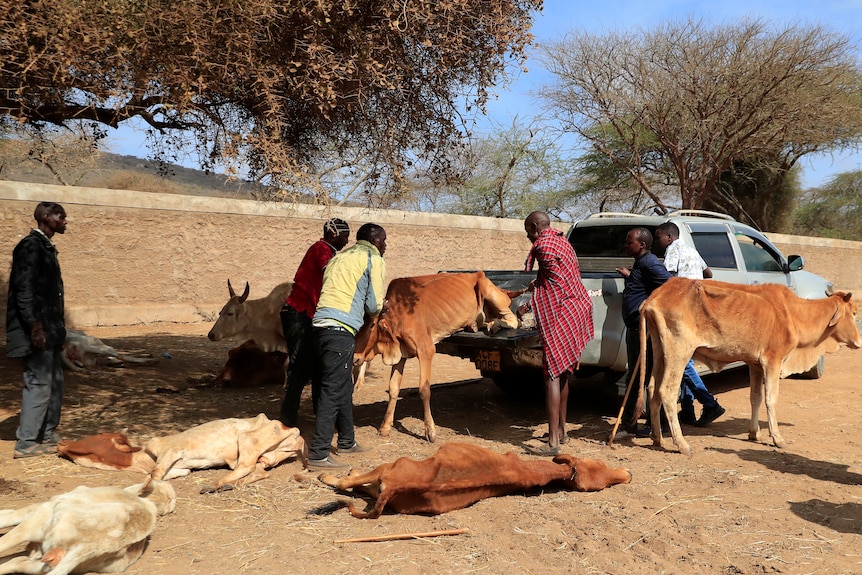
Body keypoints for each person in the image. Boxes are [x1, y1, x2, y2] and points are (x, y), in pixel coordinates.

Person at [306, 223, 387, 469]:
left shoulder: (340, 257)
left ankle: (347, 441)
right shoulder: (372, 258)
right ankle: (318, 454)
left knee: (341, 386)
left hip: (319, 326)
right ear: (374, 240)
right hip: (340, 330)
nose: (385, 245)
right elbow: (374, 304)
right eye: (383, 240)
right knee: (332, 389)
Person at [521, 211, 594, 455]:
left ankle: (553, 442)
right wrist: (532, 300)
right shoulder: (563, 241)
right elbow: (555, 279)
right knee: (562, 372)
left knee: (551, 373)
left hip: (562, 312)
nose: (529, 239)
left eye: (528, 233)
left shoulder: (543, 245)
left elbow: (555, 287)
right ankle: (562, 431)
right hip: (577, 309)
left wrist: (537, 299)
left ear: (534, 227)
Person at [6, 202, 68, 458]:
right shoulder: (31, 247)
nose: (65, 221)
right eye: (60, 216)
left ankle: (47, 434)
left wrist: (59, 333)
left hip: (50, 330)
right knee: (39, 383)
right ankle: (27, 443)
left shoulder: (45, 247)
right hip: (37, 331)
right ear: (45, 218)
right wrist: (36, 328)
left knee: (54, 382)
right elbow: (25, 291)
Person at [278, 218, 351, 428]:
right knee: (300, 366)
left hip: (308, 314)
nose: (347, 241)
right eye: (345, 235)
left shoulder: (327, 251)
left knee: (319, 366)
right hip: (300, 312)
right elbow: (333, 274)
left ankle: (321, 415)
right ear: (333, 233)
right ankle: (287, 418)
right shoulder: (321, 250)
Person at [654, 222, 726, 427]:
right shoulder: (691, 250)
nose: (658, 242)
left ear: (669, 237)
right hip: (698, 308)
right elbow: (709, 273)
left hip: (681, 308)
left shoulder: (673, 250)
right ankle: (687, 409)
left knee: (681, 361)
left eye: (659, 237)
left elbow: (665, 277)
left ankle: (709, 403)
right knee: (689, 358)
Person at [616, 227, 671, 438]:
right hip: (635, 327)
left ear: (642, 245)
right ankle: (653, 422)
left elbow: (669, 284)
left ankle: (634, 424)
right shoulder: (641, 264)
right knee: (640, 375)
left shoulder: (649, 262)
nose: (626, 245)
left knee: (640, 376)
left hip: (643, 329)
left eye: (629, 242)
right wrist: (630, 276)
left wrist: (649, 305)